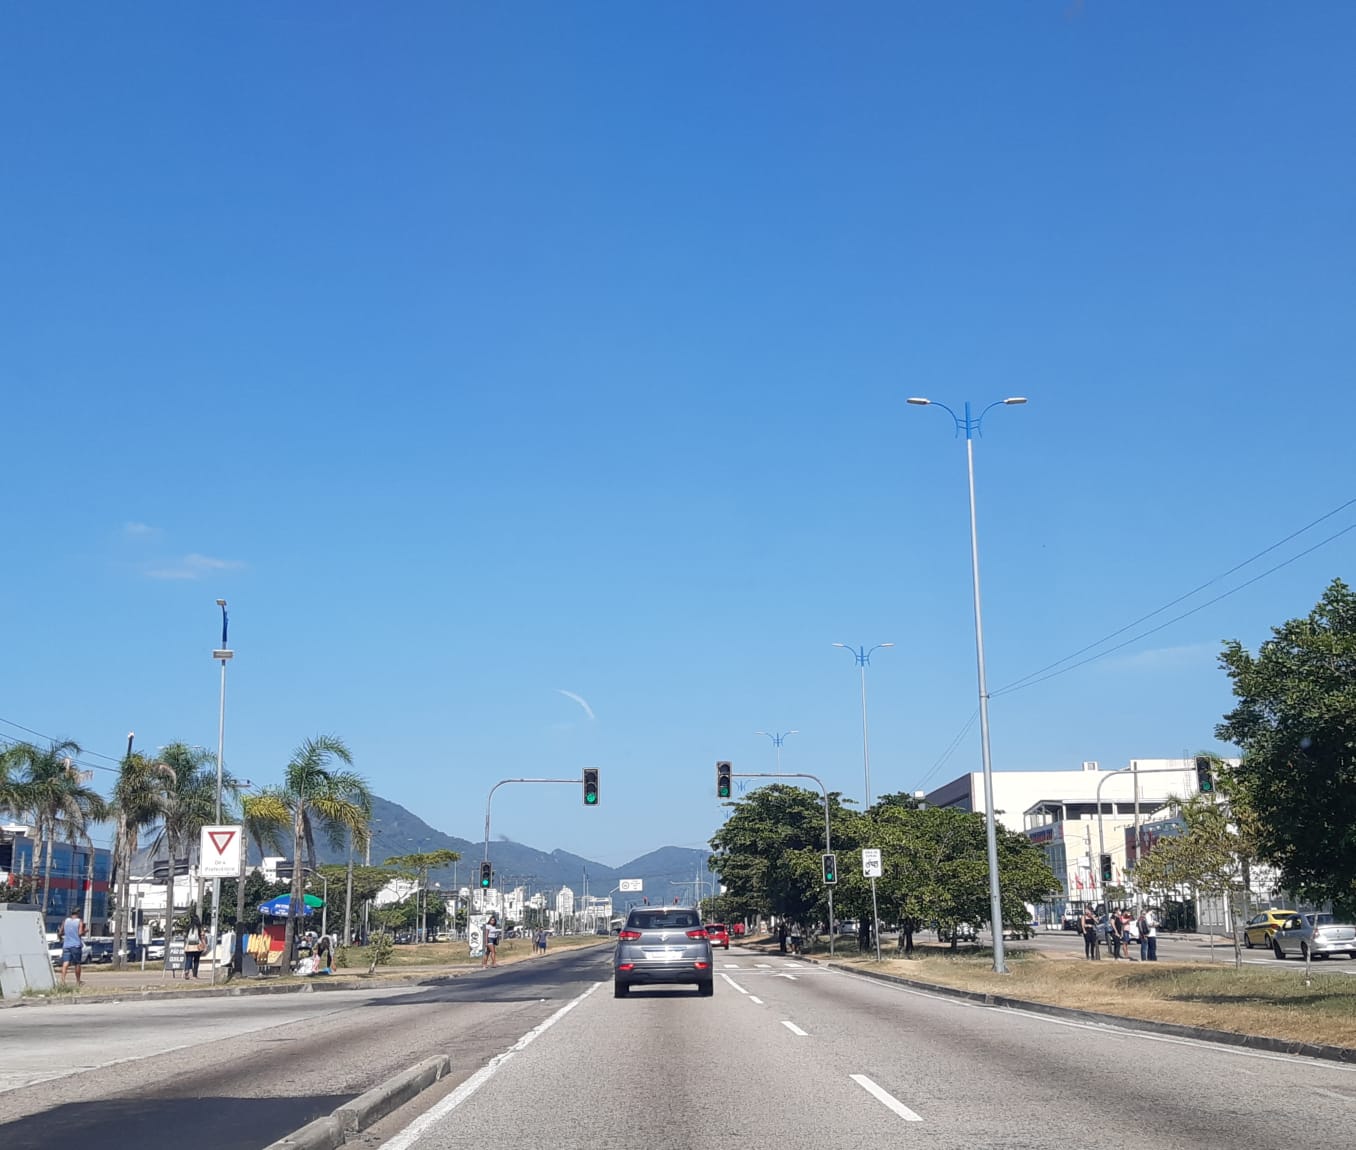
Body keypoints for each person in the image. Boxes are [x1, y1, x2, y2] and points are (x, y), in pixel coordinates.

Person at [59, 908, 86, 986]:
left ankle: (63, 980)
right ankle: (78, 981)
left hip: (66, 945)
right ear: (78, 913)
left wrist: (61, 937)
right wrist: (85, 931)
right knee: (77, 963)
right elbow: (80, 933)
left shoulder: (66, 921)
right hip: (76, 945)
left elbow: (60, 932)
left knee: (65, 963)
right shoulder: (79, 921)